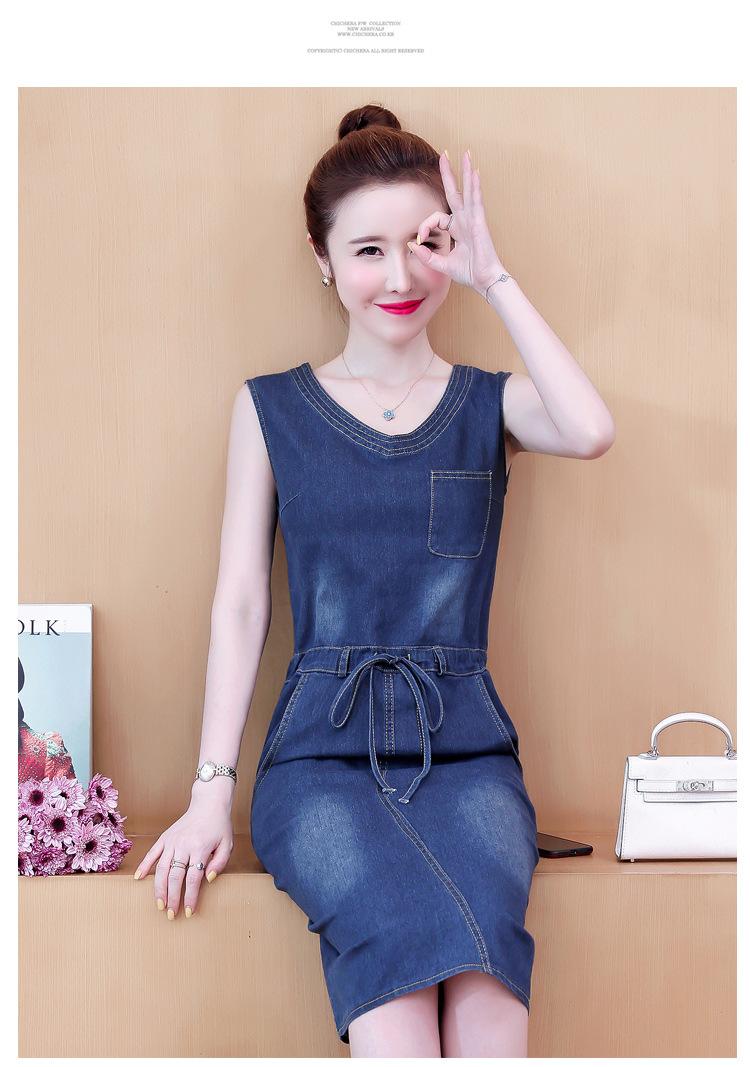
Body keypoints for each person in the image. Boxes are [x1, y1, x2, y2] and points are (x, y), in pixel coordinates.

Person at [135, 103, 616, 1057]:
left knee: (489, 980)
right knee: (396, 976)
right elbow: (242, 603)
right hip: (319, 762)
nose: (400, 278)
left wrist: (494, 276)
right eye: (367, 250)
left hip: (467, 759)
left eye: (424, 245)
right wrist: (209, 791)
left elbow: (592, 429)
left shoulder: (489, 404)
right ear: (320, 257)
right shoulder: (271, 408)